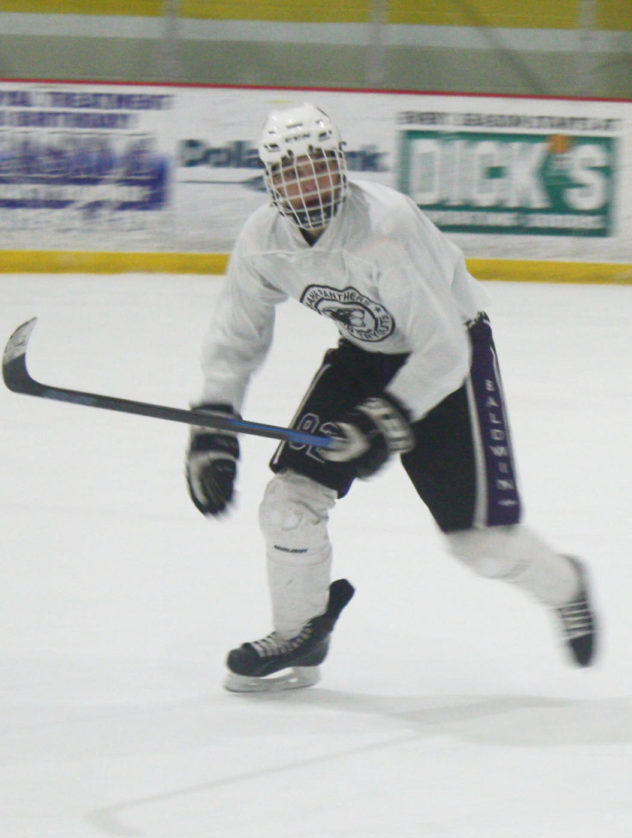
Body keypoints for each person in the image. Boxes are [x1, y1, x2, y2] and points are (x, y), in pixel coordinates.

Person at [185, 102, 598, 692]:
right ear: (271, 181)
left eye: (320, 167)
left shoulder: (388, 225)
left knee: (478, 545)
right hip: (365, 353)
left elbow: (444, 348)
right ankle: (300, 633)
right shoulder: (263, 240)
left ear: (341, 166)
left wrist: (386, 419)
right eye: (292, 173)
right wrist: (214, 422)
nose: (309, 184)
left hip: (449, 354)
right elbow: (236, 334)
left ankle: (565, 585)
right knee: (288, 503)